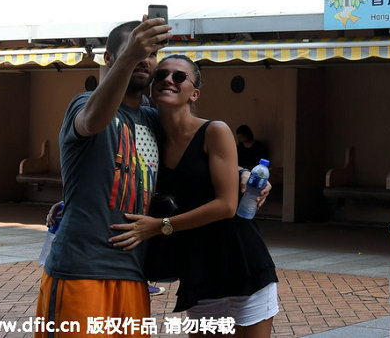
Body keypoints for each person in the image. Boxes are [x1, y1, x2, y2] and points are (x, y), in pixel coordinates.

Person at [110, 55, 279, 337]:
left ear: (194, 93)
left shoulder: (214, 130)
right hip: (198, 270)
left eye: (179, 77)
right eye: (161, 74)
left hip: (240, 262)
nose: (168, 79)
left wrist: (161, 225)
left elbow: (226, 205)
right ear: (152, 87)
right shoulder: (149, 137)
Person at [34, 18, 170, 337]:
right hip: (80, 269)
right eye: (134, 51)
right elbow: (93, 121)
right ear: (110, 58)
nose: (144, 59)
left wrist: (241, 176)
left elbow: (192, 157)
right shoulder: (83, 104)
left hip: (135, 276)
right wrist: (129, 57)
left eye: (151, 53)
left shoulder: (153, 119)